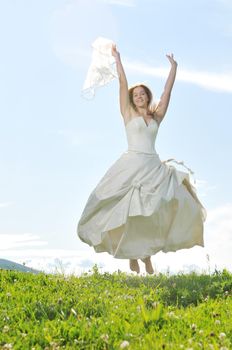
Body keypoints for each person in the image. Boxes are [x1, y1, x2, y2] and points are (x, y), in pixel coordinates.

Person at [77, 43, 206, 274]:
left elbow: (167, 94)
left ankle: (145, 254)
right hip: (131, 165)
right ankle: (131, 254)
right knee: (127, 209)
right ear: (132, 99)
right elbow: (122, 84)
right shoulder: (127, 113)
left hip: (152, 166)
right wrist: (117, 59)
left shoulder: (156, 116)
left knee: (153, 210)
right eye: (135, 95)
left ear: (147, 96)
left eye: (142, 94)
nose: (138, 96)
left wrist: (173, 69)